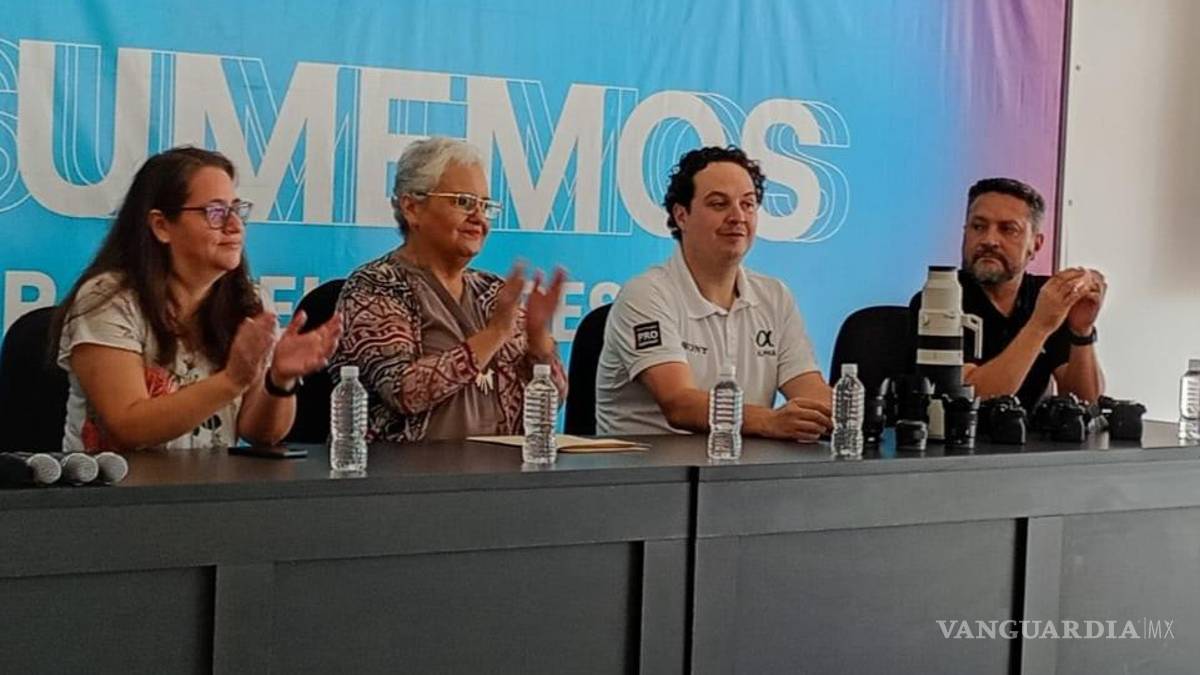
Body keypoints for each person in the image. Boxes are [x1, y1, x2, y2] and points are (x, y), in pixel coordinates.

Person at [53, 147, 342, 452]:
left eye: (237, 210)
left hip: (212, 481)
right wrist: (231, 381)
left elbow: (261, 434)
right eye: (215, 212)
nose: (235, 226)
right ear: (161, 226)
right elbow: (128, 427)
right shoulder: (108, 299)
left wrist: (279, 380)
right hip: (117, 481)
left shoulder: (250, 303)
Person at [330, 137, 567, 442]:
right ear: (412, 208)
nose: (479, 218)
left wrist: (538, 340)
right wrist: (494, 334)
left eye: (485, 206)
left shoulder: (493, 291)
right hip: (403, 469)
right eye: (463, 202)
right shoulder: (375, 287)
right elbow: (402, 392)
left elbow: (555, 400)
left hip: (501, 467)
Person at [595, 146, 832, 441]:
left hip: (743, 465)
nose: (738, 217)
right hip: (647, 467)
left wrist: (831, 413)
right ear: (681, 216)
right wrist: (771, 421)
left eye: (748, 204)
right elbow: (679, 404)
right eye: (719, 204)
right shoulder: (646, 294)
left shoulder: (775, 296)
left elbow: (810, 389)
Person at [909, 177, 1106, 409]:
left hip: (1030, 432)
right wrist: (1039, 326)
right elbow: (968, 400)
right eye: (978, 227)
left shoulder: (1046, 297)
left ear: (1036, 244)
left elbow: (1085, 402)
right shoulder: (939, 300)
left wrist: (1081, 332)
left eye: (1008, 229)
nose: (989, 240)